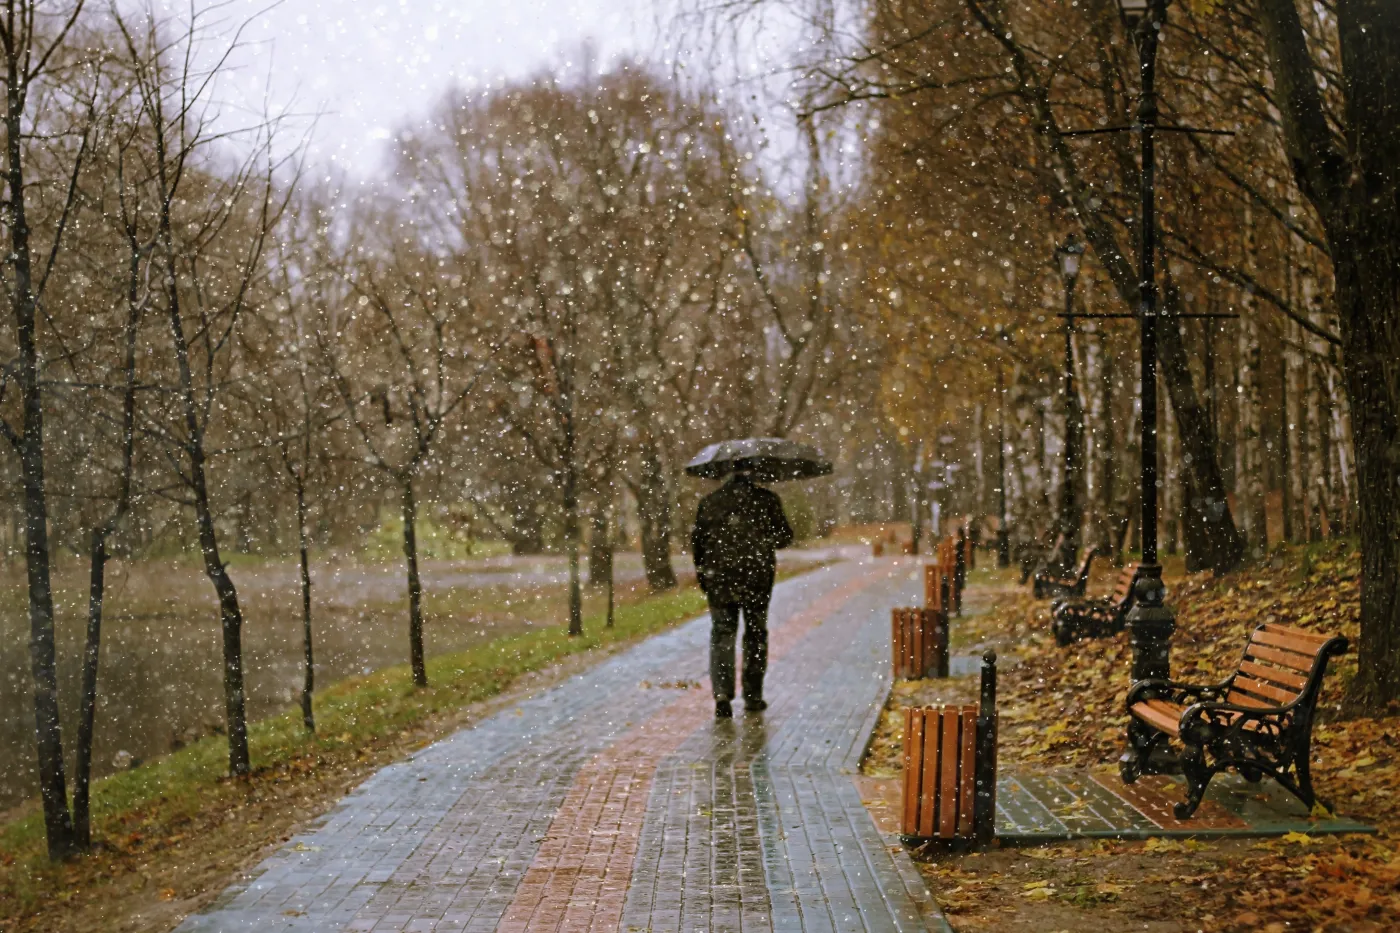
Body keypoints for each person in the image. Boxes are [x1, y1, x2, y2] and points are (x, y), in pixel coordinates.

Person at [690, 463, 794, 718]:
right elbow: (785, 537)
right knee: (756, 634)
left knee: (722, 634)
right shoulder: (767, 501)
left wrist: (704, 575)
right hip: (756, 578)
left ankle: (722, 694)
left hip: (720, 579)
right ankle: (753, 695)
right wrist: (763, 540)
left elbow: (697, 544)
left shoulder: (710, 502)